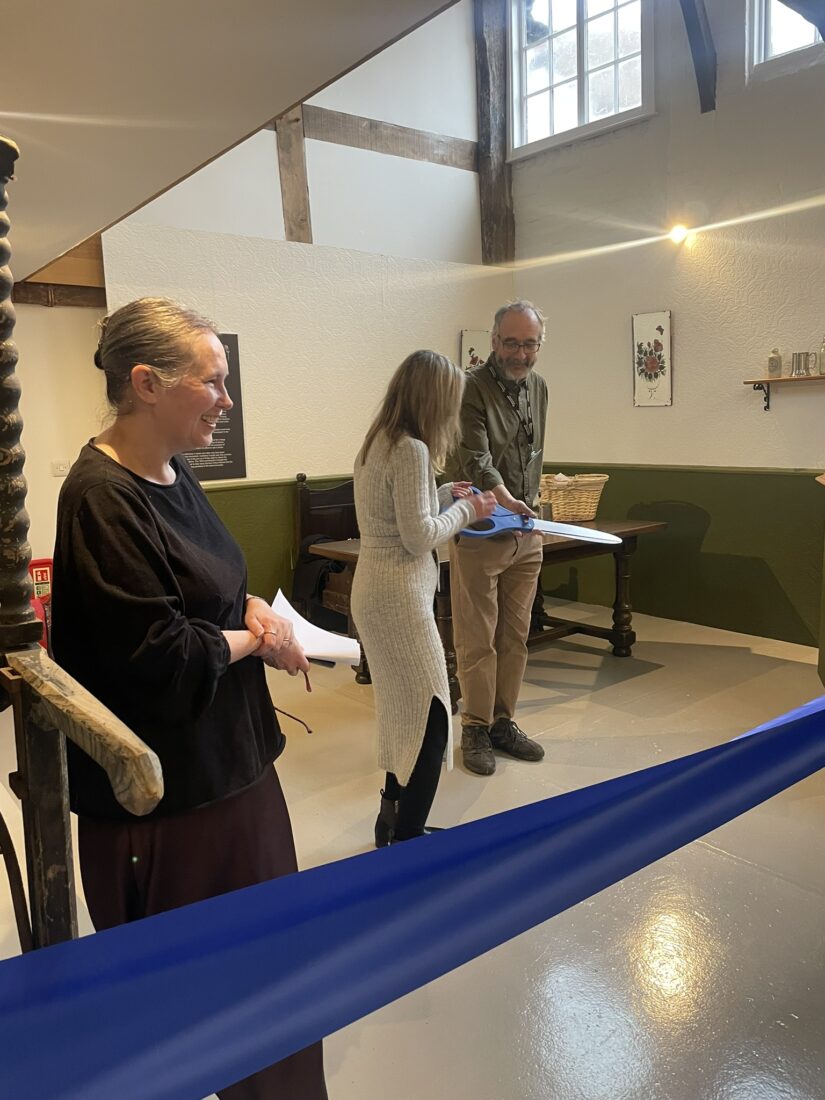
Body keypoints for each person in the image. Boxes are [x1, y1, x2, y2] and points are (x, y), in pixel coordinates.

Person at [50, 297, 327, 1100]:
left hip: (237, 773)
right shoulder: (101, 497)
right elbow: (160, 657)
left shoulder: (175, 475)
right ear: (145, 383)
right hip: (174, 806)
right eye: (213, 382)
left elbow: (215, 585)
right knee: (204, 1009)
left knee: (272, 990)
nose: (227, 400)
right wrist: (258, 642)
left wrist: (253, 612)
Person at [351, 350, 495, 845]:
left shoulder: (376, 443)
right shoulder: (411, 448)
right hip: (399, 598)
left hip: (373, 590)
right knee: (434, 712)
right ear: (432, 400)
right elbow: (418, 537)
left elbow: (394, 514)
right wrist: (469, 510)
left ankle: (389, 816)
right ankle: (411, 835)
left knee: (398, 712)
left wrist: (440, 492)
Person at [444, 300, 549, 777]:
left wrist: (530, 509)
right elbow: (475, 459)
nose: (519, 353)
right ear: (493, 341)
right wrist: (507, 500)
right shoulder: (470, 388)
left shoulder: (540, 388)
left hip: (527, 530)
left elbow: (533, 453)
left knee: (515, 635)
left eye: (529, 344)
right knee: (476, 637)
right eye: (511, 342)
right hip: (483, 528)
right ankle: (475, 726)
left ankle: (504, 721)